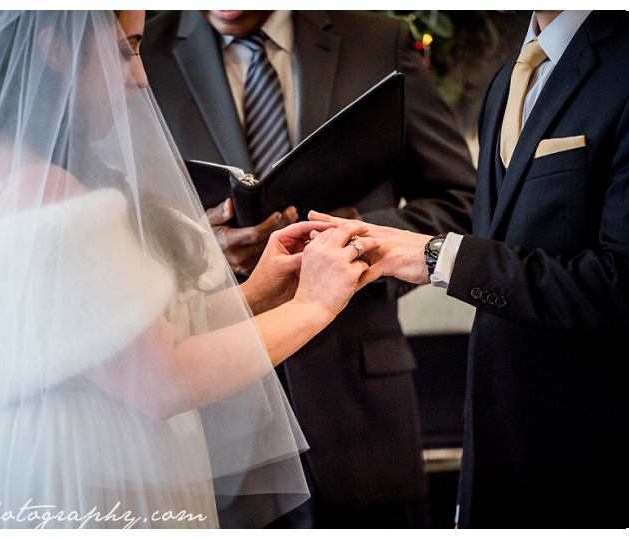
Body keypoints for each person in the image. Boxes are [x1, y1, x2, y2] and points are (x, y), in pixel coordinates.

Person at [0, 10, 379, 529]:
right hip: (73, 482)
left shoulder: (5, 167)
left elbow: (120, 336)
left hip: (70, 460)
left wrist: (257, 294)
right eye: (122, 50)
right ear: (55, 50)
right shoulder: (38, 192)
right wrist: (314, 304)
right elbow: (161, 379)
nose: (140, 74)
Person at [140, 10, 476, 528]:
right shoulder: (139, 53)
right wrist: (205, 251)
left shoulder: (373, 36)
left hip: (362, 405)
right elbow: (119, 242)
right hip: (218, 422)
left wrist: (360, 232)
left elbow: (462, 201)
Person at [311, 10, 629, 528]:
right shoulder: (504, 82)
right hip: (498, 450)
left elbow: (628, 288)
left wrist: (436, 257)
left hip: (600, 463)